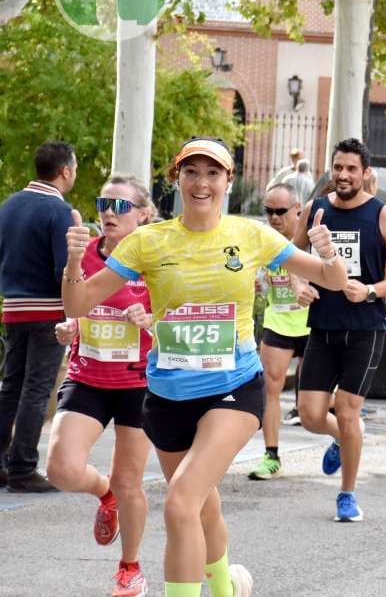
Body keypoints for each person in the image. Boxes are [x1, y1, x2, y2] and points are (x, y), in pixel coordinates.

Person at [63, 137, 348, 597]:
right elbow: (78, 301)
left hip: (233, 388)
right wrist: (74, 260)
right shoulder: (147, 242)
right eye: (191, 172)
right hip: (168, 396)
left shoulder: (250, 234)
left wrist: (328, 251)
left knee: (179, 505)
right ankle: (226, 586)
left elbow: (332, 281)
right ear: (176, 179)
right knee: (203, 507)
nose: (201, 183)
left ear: (228, 181)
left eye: (212, 173)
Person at [292, 138, 386, 522]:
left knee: (348, 412)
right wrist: (299, 285)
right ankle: (339, 439)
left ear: (365, 174)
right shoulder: (316, 210)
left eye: (351, 169)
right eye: (338, 167)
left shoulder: (382, 215)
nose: (343, 175)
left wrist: (372, 291)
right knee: (311, 414)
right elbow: (291, 257)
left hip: (366, 328)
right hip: (323, 327)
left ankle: (346, 494)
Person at [46, 175, 154, 596]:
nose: (109, 211)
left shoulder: (155, 260)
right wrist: (70, 327)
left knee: (132, 482)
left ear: (144, 215)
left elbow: (178, 313)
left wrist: (151, 321)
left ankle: (130, 568)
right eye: (103, 202)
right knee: (61, 468)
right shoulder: (86, 254)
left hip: (138, 382)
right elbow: (74, 306)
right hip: (88, 375)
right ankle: (102, 491)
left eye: (121, 205)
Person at [0, 140, 77, 493]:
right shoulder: (58, 212)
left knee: (10, 386)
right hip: (48, 310)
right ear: (64, 171)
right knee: (37, 387)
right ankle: (22, 467)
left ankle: (2, 462)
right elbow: (64, 268)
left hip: (12, 307)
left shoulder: (9, 206)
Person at [247, 183, 316, 481]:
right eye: (268, 211)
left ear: (297, 209)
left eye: (280, 211)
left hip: (314, 323)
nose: (273, 217)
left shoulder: (312, 241)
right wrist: (256, 284)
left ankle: (343, 434)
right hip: (278, 322)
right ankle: (271, 455)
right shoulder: (264, 241)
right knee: (270, 387)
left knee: (314, 403)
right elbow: (258, 278)